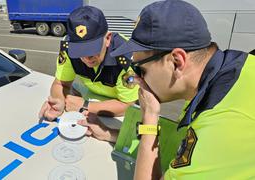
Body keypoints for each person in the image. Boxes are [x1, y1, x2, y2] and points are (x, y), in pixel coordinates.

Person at [80, 0, 255, 179]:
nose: (137, 79)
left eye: (141, 69)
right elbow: (177, 147)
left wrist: (149, 117)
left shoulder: (221, 129)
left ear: (177, 61)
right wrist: (112, 135)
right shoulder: (226, 74)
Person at [39, 6, 139, 120]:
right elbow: (60, 84)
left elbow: (127, 105)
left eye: (92, 50)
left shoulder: (125, 57)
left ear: (108, 39)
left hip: (122, 107)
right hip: (94, 98)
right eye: (79, 51)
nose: (86, 58)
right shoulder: (68, 49)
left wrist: (86, 106)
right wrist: (59, 101)